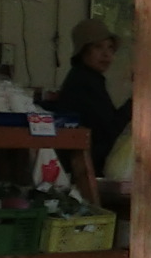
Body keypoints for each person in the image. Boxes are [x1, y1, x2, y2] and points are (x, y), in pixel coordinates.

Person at [53, 17, 132, 173]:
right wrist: (135, 103)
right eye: (98, 47)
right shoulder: (85, 82)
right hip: (84, 166)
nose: (106, 54)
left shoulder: (87, 78)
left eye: (110, 48)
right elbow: (109, 129)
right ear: (83, 51)